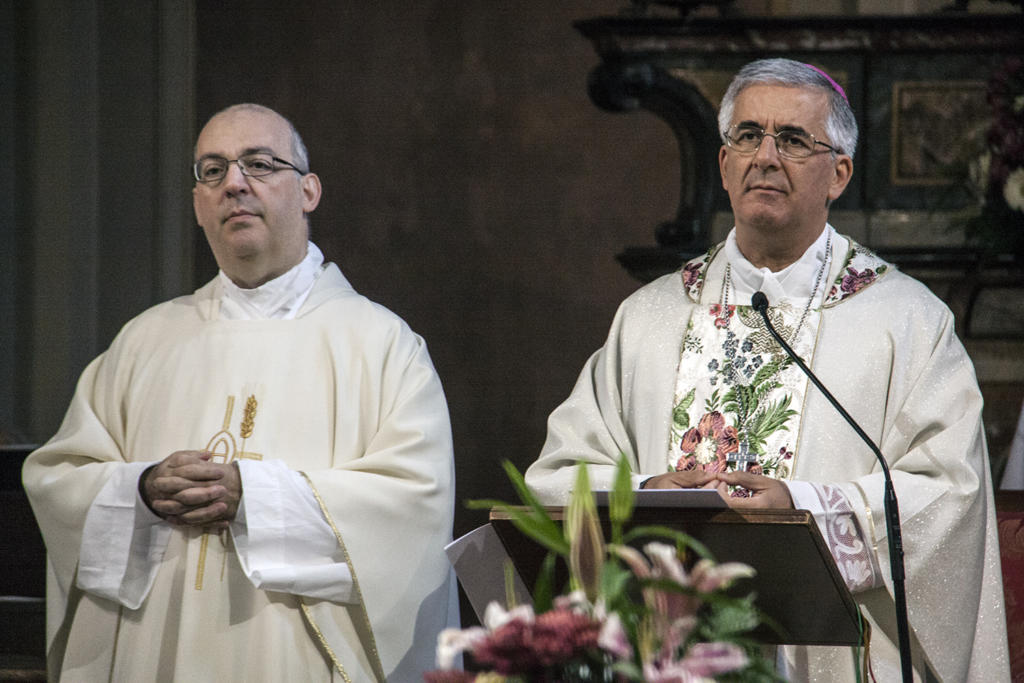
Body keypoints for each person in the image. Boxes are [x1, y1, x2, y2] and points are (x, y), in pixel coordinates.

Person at [525, 59, 1009, 681]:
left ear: (839, 175)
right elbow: (559, 477)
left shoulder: (908, 322)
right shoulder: (649, 318)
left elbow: (948, 491)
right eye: (749, 135)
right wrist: (649, 496)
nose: (766, 157)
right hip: (664, 656)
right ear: (724, 164)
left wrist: (803, 508)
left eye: (794, 140)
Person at [23, 103, 456, 682]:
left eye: (260, 163)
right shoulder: (143, 341)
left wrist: (256, 496)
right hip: (158, 653)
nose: (234, 184)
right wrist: (142, 490)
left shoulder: (380, 344)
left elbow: (413, 506)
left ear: (308, 191)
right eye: (213, 170)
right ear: (198, 204)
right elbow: (60, 482)